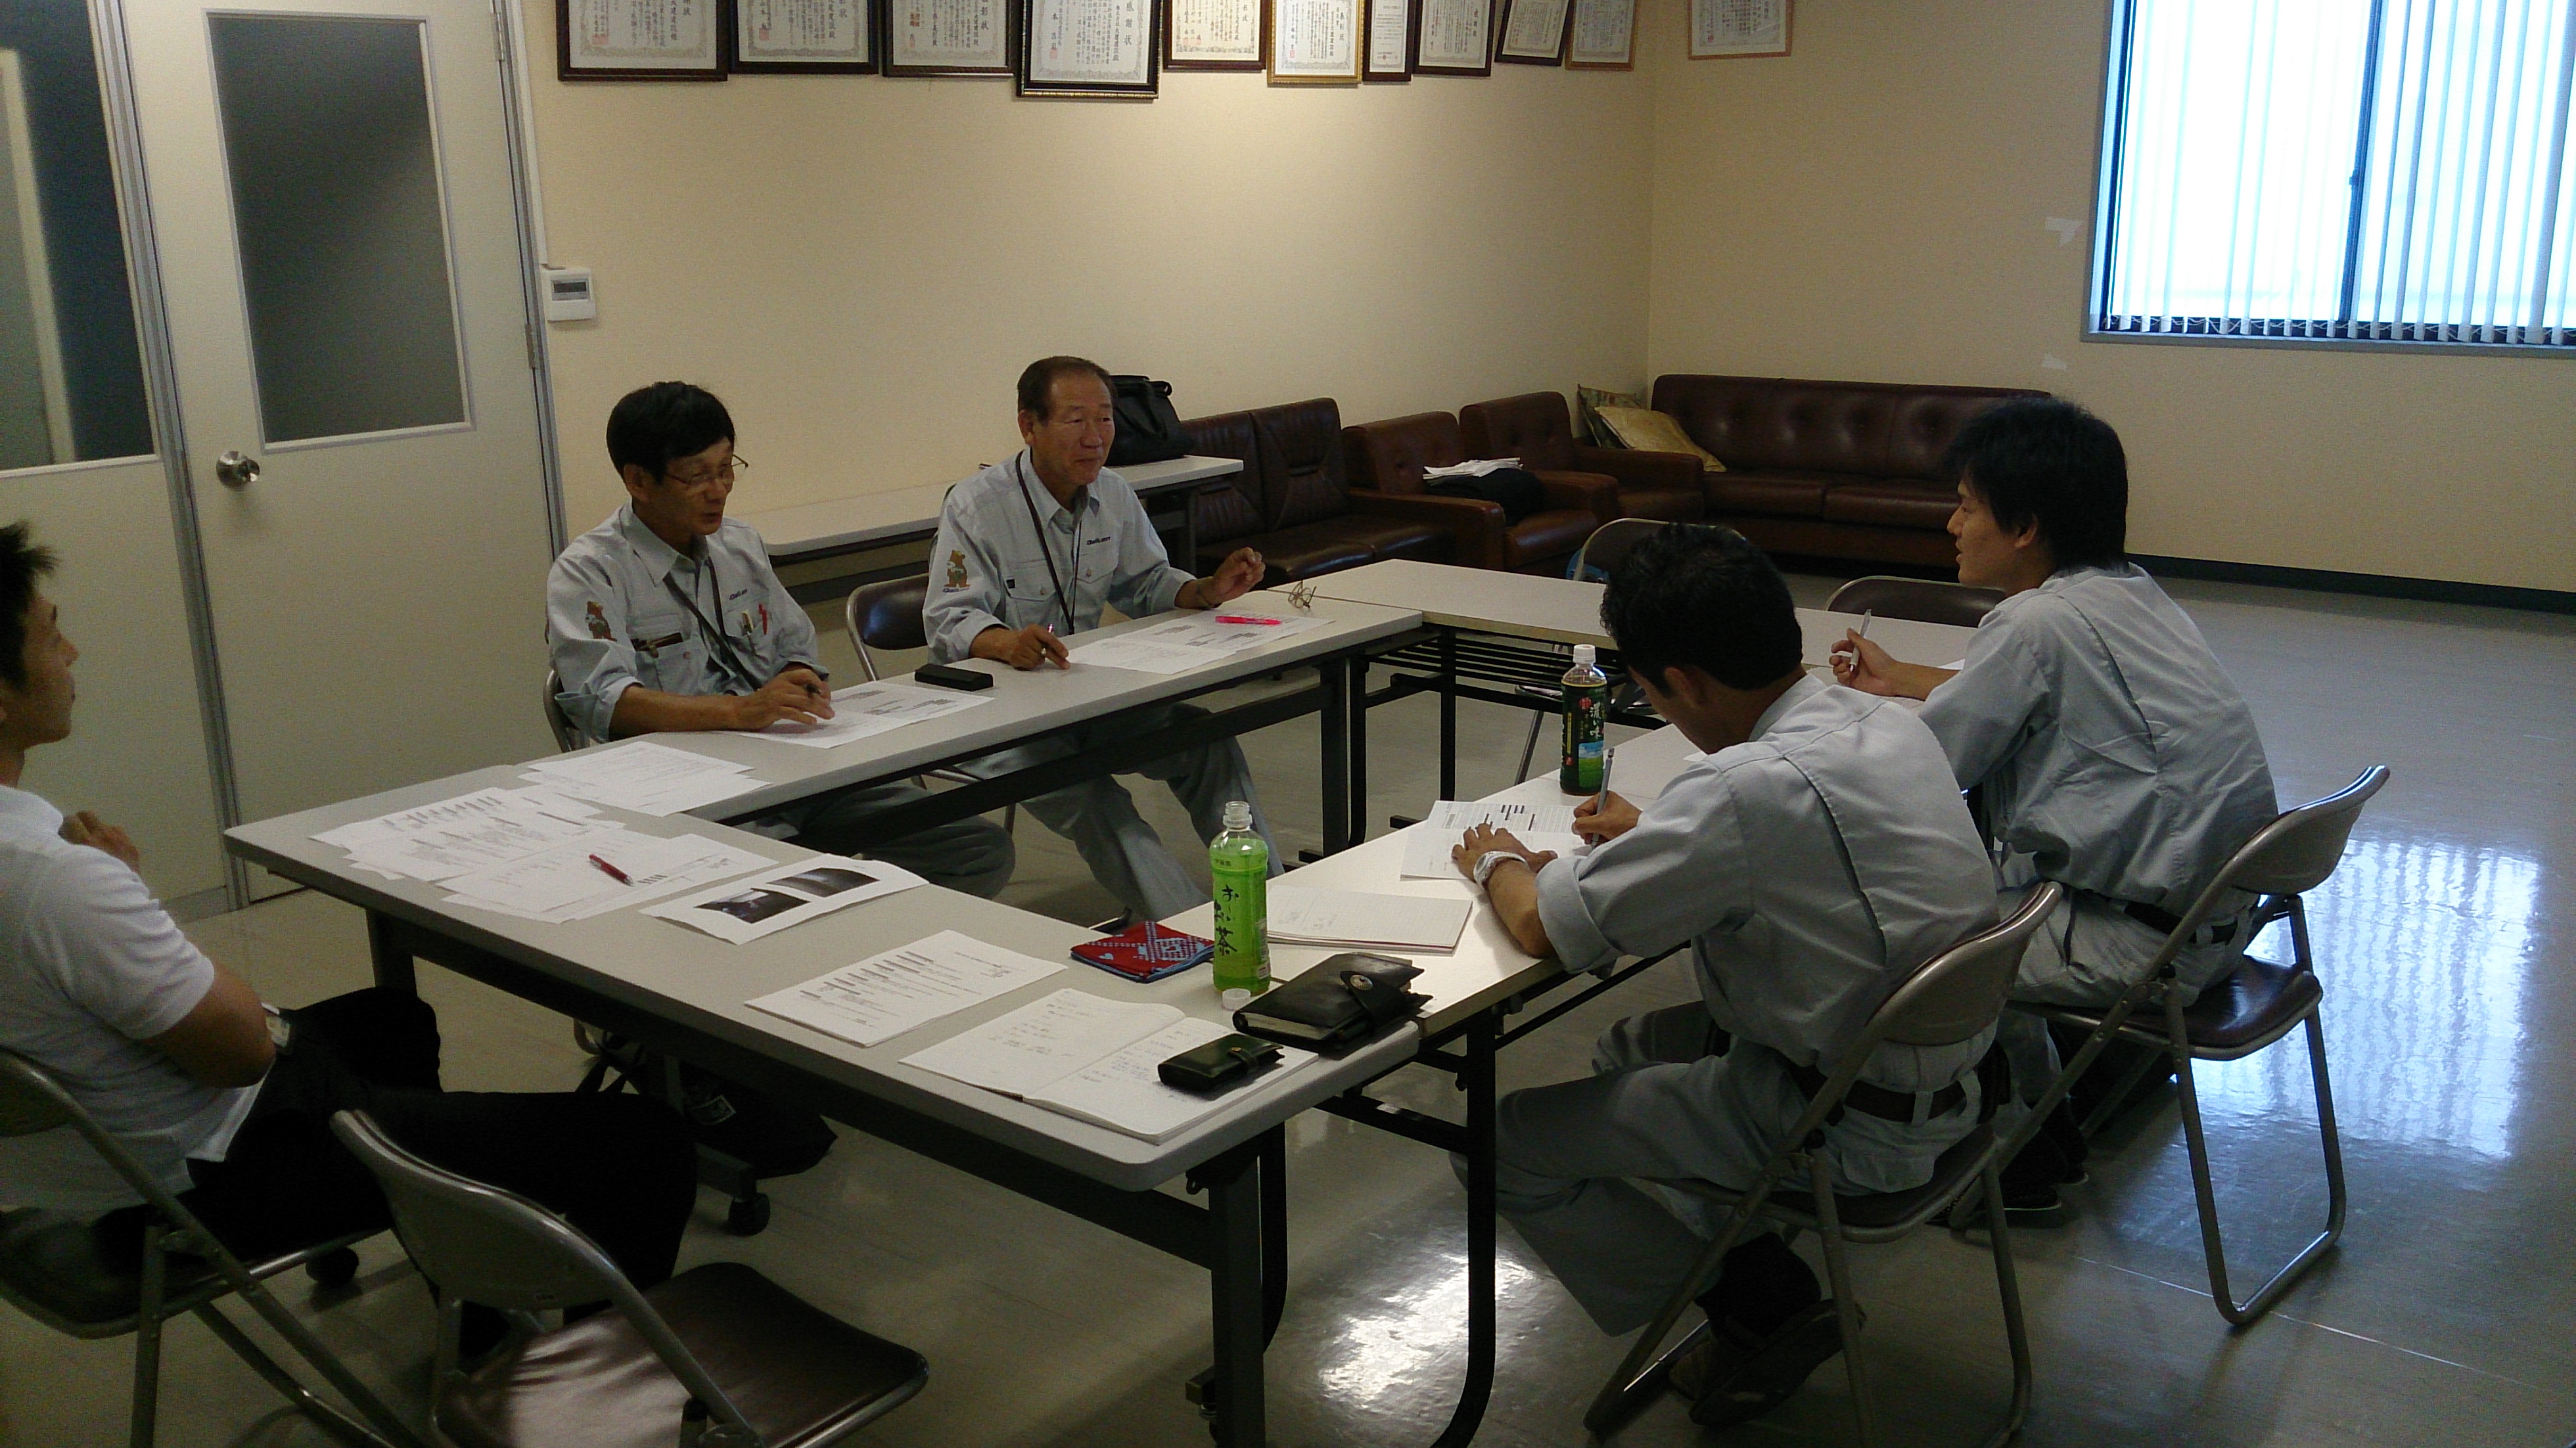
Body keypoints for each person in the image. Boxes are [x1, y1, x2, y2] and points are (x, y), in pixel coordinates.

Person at [0, 522, 697, 1330]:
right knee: (645, 1141)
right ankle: (583, 1383)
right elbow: (242, 1052)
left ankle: (472, 1308)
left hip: (71, 1168)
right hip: (195, 1183)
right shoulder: (57, 880)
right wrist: (128, 886)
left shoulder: (35, 857)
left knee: (392, 1021)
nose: (73, 653)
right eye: (51, 635)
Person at [1449, 526, 1998, 1428]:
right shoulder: (1889, 723)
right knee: (1629, 1043)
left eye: (1655, 694)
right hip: (1951, 1083)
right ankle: (1744, 1260)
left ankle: (1752, 1304)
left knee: (1494, 1146)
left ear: (1687, 683)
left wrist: (1497, 861)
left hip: (1839, 1123)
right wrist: (1664, 837)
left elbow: (1545, 925)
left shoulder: (1741, 792)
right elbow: (1791, 837)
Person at [1831, 397, 2278, 1216]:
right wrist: (1900, 680)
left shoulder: (2031, 622)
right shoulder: (2128, 593)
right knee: (1979, 902)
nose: (1951, 524)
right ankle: (2048, 1122)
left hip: (2140, 944)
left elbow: (1918, 772)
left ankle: (2016, 1156)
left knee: (1899, 935)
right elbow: (2010, 696)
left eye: (1966, 505)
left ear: (2025, 526)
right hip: (2213, 917)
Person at [549, 382, 1015, 898]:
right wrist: (739, 711)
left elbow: (794, 643)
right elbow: (606, 702)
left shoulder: (739, 544)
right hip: (695, 795)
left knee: (978, 851)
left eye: (726, 469)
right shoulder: (590, 572)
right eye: (697, 476)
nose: (718, 490)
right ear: (639, 480)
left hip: (795, 767)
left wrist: (798, 677)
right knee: (782, 891)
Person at [924, 356, 1277, 922]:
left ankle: (1271, 906)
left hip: (1085, 697)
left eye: (1106, 419)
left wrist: (1205, 590)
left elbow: (1146, 583)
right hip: (1001, 721)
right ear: (1029, 426)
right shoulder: (977, 505)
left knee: (1208, 743)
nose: (1095, 438)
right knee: (1097, 800)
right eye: (1075, 420)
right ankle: (1189, 930)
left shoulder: (1111, 492)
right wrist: (1004, 642)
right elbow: (947, 619)